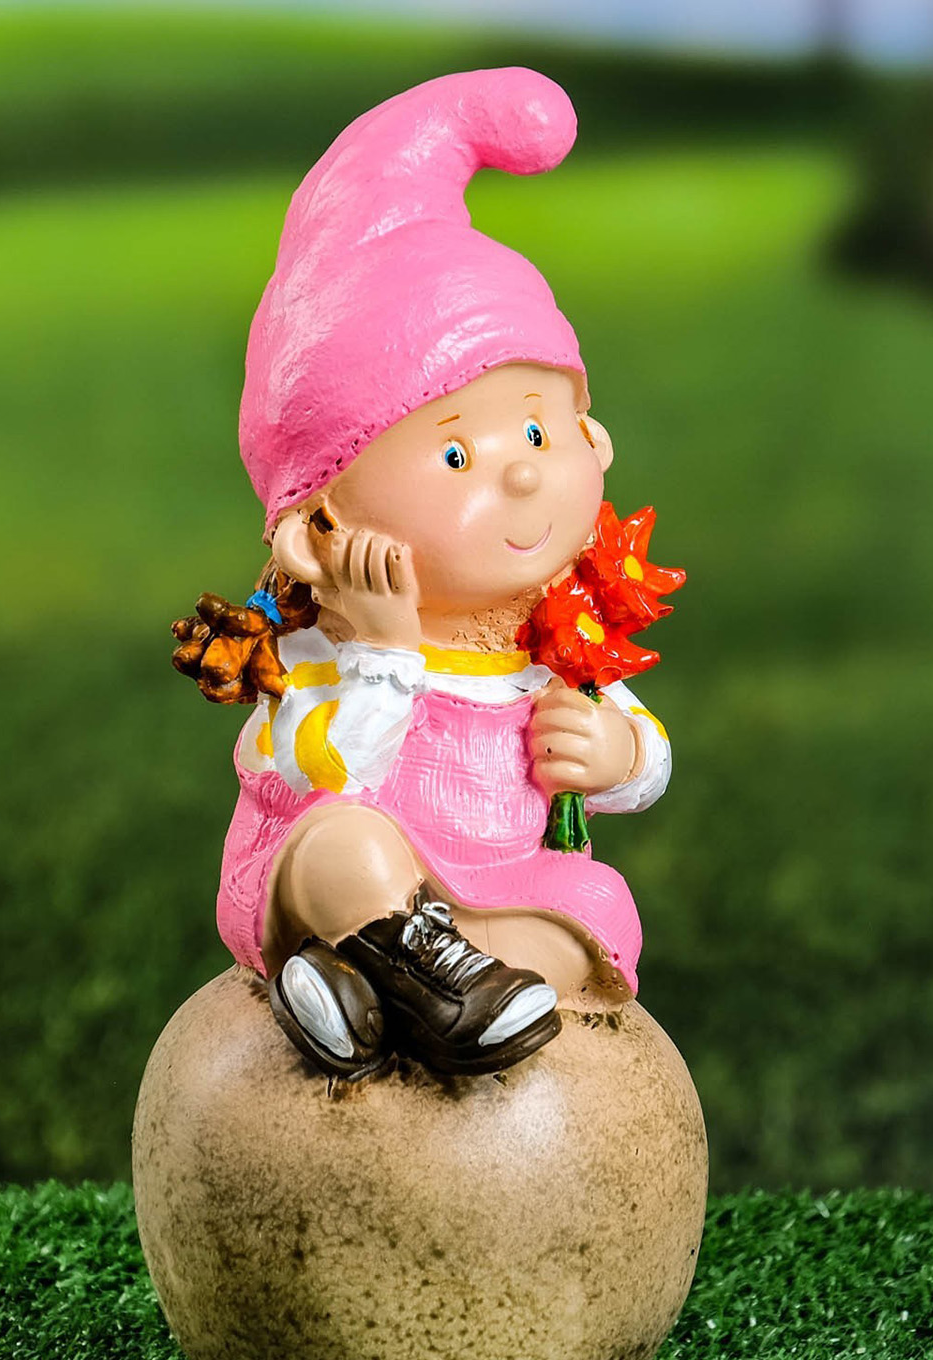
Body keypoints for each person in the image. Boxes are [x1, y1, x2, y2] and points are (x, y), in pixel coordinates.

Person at [204, 69, 672, 1080]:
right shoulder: (314, 657)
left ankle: (370, 992)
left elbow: (641, 750)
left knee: (601, 913)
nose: (521, 474)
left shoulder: (555, 645)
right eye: (457, 456)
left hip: (498, 889)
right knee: (342, 843)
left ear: (593, 439)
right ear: (317, 531)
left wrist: (618, 755)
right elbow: (324, 775)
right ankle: (402, 967)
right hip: (345, 875)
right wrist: (382, 652)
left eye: (539, 433)